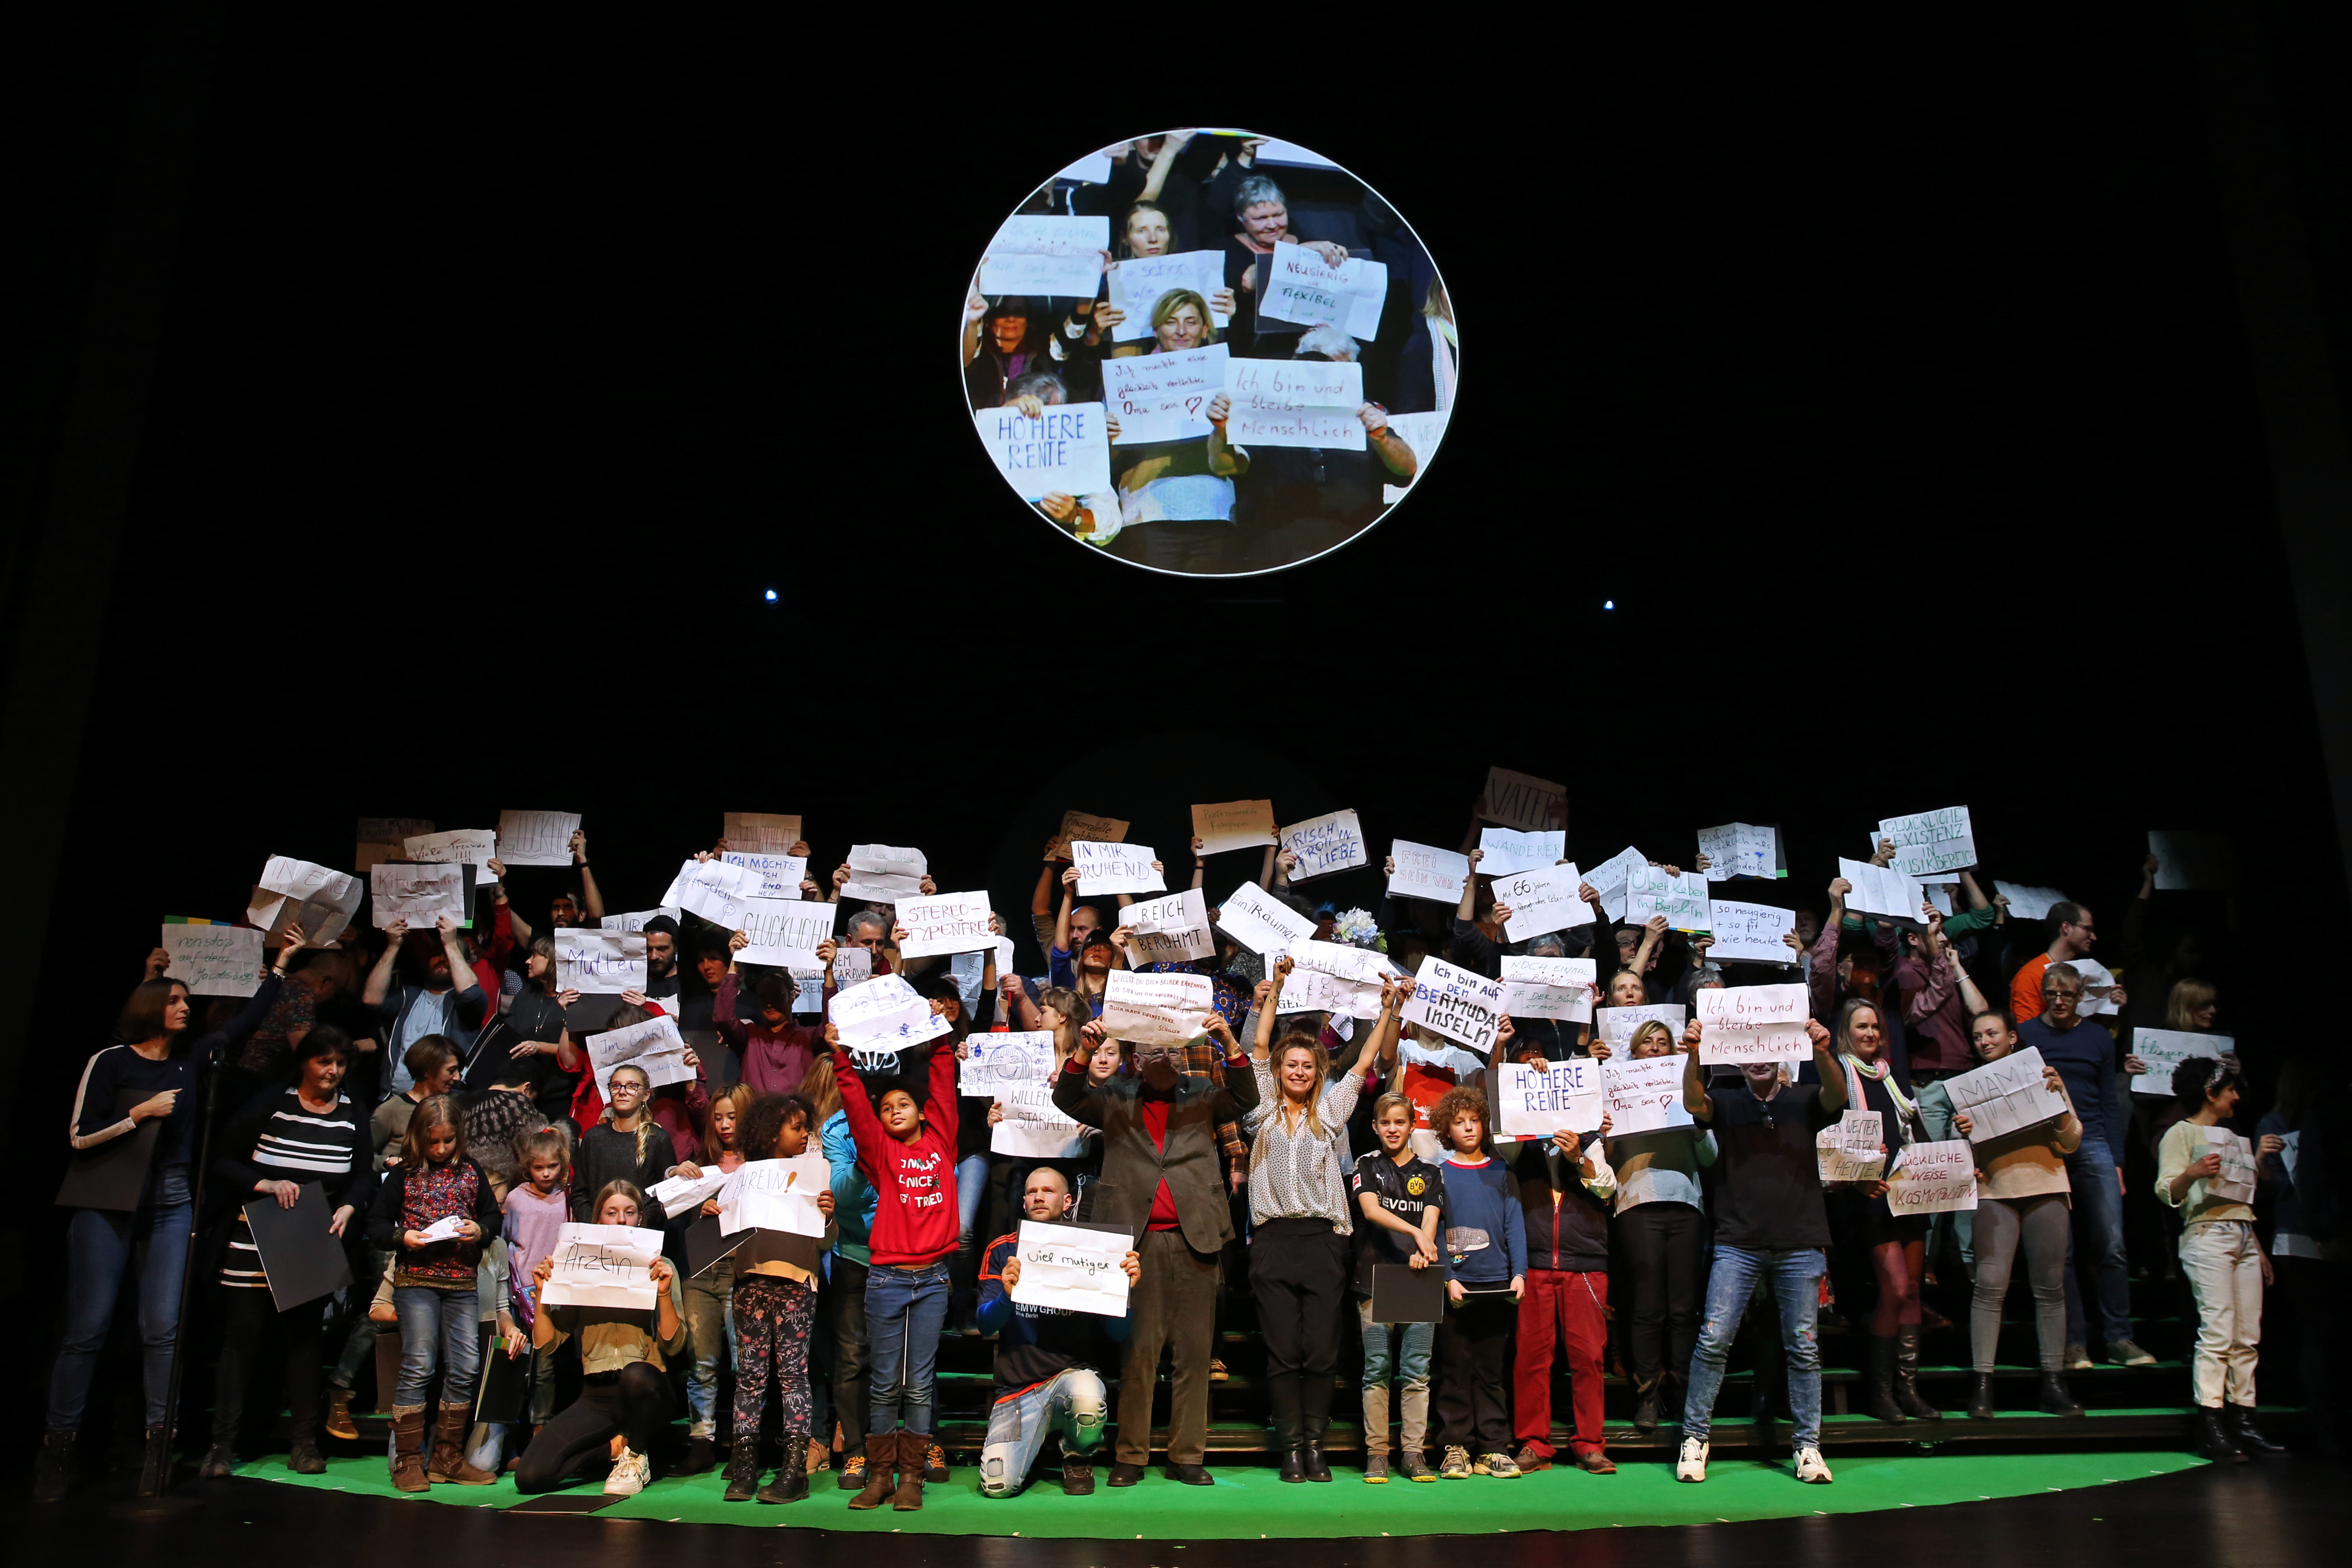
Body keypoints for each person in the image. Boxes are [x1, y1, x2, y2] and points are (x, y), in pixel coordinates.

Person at [38, 943, 292, 1504]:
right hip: (108, 1199)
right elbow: (79, 1135)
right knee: (87, 1330)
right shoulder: (112, 1061)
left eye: (185, 1000)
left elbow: (246, 1023)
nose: (184, 1007)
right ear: (151, 1007)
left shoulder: (190, 1060)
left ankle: (159, 1446)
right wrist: (138, 1114)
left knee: (163, 1330)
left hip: (172, 1198)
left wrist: (279, 970)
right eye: (174, 1000)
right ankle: (58, 1447)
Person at [1052, 1006, 1260, 1487]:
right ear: (1137, 1060)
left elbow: (1247, 1096)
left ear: (1183, 1056)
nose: (1164, 1058)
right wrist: (1084, 1051)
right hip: (1135, 1248)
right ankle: (1131, 1455)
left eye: (1172, 1051)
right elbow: (1066, 1097)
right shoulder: (1113, 1096)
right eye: (1153, 1052)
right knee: (1139, 1354)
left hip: (1196, 1238)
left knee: (1194, 1354)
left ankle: (1187, 1455)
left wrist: (1230, 1043)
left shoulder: (1203, 1093)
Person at [1674, 1012, 1849, 1487]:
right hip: (1738, 1243)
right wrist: (1694, 1055)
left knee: (1804, 1346)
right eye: (1749, 1052)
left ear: (1782, 1054)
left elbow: (1837, 1096)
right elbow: (1693, 1101)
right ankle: (1694, 1438)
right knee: (1714, 1340)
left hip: (1800, 1242)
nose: (1759, 1059)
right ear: (1736, 1059)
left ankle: (1807, 1446)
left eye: (1767, 1051)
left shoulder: (1804, 1099)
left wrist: (1822, 1051)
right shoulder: (1729, 1102)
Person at [202, 1026, 375, 1478]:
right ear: (305, 1063)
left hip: (310, 1233)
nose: (333, 1071)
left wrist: (349, 1206)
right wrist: (264, 1183)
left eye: (340, 1063)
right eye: (324, 1062)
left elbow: (363, 1172)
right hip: (257, 1231)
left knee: (304, 1341)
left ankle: (303, 1443)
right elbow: (222, 1158)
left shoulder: (352, 1111)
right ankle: (221, 1445)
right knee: (242, 1337)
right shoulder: (273, 1102)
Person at [1245, 959, 1388, 1482]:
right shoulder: (1262, 1111)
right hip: (1273, 1242)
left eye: (1308, 1066)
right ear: (1280, 1071)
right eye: (1292, 1065)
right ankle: (1291, 1449)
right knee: (1284, 1352)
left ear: (1317, 1072)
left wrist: (1388, 1011)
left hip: (1323, 1242)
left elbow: (1363, 1064)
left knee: (1322, 1352)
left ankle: (1315, 1447)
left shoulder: (1329, 1115)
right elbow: (1260, 1046)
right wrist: (1277, 989)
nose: (1299, 1072)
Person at [826, 1020, 964, 1511]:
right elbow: (855, 1108)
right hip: (885, 1279)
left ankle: (912, 1478)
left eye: (903, 1104)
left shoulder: (941, 1143)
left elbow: (944, 1091)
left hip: (932, 1280)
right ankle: (881, 1476)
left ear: (922, 1113)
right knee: (884, 1383)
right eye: (886, 1108)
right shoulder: (880, 1153)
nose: (894, 1111)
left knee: (919, 1385)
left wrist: (940, 1041)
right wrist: (841, 1056)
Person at [2016, 962, 2157, 1368]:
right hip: (2047, 1145)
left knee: (2112, 1244)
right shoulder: (2025, 1034)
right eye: (2052, 994)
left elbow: (2110, 1102)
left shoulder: (2097, 1037)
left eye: (2067, 994)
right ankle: (2073, 1342)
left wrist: (2117, 1161)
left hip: (2093, 1140)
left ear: (2080, 997)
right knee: (2060, 1252)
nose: (2059, 1001)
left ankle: (2119, 1337)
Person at [512, 1180, 689, 1496]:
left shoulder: (662, 1267)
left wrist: (662, 1293)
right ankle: (615, 1449)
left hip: (647, 1390)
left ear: (640, 1218)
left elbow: (674, 1345)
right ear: (598, 1219)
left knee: (636, 1374)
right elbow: (547, 1344)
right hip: (598, 1394)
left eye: (630, 1212)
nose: (621, 1220)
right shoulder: (579, 1266)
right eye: (612, 1212)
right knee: (530, 1475)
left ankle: (637, 1453)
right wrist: (543, 1294)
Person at [1950, 1009, 2086, 1419]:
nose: (1984, 1041)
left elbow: (2071, 1140)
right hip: (1995, 1190)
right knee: (1989, 1286)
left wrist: (2058, 1102)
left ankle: (2053, 1384)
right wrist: (1961, 1136)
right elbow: (1958, 1155)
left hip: (2046, 1185)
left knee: (2049, 1288)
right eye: (1977, 1036)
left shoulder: (2041, 1075)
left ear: (2012, 1037)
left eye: (1992, 1033)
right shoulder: (1968, 1089)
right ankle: (1982, 1385)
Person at [975, 1166, 1143, 1497]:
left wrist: (1125, 1296)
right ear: (1024, 1202)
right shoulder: (1002, 1250)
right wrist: (1006, 1298)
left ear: (1067, 1201)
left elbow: (1117, 1334)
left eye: (1048, 1191)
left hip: (1071, 1379)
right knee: (998, 1486)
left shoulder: (1094, 1249)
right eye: (1032, 1192)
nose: (1039, 1197)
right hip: (1018, 1388)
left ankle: (1077, 1455)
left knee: (1088, 1396)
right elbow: (984, 1324)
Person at [366, 1091, 504, 1491]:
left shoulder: (471, 1170)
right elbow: (376, 1225)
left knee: (465, 1366)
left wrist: (480, 1229)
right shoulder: (404, 1175)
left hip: (461, 1282)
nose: (441, 1149)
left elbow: (492, 1216)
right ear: (418, 1137)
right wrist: (403, 1236)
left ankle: (448, 1457)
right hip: (417, 1281)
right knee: (419, 1364)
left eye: (448, 1140)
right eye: (433, 1142)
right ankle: (409, 1460)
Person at [2159, 1056, 2285, 1462]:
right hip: (2207, 1234)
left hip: (2242, 1233)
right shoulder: (2181, 1133)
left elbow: (2241, 1197)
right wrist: (2193, 1172)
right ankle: (2210, 1421)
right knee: (2217, 1331)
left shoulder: (2231, 1136)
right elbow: (2166, 1189)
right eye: (2229, 1089)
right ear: (2210, 1093)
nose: (2236, 1097)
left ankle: (2243, 1417)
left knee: (2247, 1334)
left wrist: (2256, 1246)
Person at [1824, 995, 1943, 1423]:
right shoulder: (1838, 1077)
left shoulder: (1891, 1078)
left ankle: (1906, 1390)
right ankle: (1879, 1394)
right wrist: (1856, 1179)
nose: (1870, 1033)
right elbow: (1828, 1143)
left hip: (1907, 1194)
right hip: (1869, 1200)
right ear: (1846, 1032)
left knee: (1912, 1292)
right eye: (1861, 1026)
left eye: (1875, 1026)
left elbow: (1912, 1134)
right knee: (1894, 1289)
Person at [722, 1092, 838, 1504]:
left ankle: (794, 1469)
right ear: (773, 1132)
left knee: (793, 1375)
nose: (805, 1133)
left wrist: (828, 1215)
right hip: (751, 1282)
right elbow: (726, 1235)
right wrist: (714, 1213)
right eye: (797, 1126)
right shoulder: (745, 1175)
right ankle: (744, 1464)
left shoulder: (814, 1174)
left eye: (806, 1126)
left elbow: (826, 1240)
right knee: (750, 1376)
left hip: (795, 1283)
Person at [1604, 1020, 1716, 1435]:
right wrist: (1606, 1133)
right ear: (1633, 1052)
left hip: (1685, 1203)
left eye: (1663, 1042)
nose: (1654, 1048)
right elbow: (1606, 1161)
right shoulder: (1618, 1091)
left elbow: (1710, 1157)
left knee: (1684, 1309)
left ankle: (1685, 1394)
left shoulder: (1688, 1089)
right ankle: (1647, 1394)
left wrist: (1698, 1119)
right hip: (1637, 1203)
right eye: (1647, 1043)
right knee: (1648, 1307)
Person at [1233, 326, 1418, 570]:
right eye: (1321, 370)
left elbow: (1406, 470)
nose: (1332, 384)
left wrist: (1382, 439)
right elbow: (1233, 465)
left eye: (1342, 373)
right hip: (1282, 549)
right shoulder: (1270, 415)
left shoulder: (1365, 415)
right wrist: (1221, 431)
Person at [1103, 289, 1248, 573]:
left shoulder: (1229, 378)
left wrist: (1222, 430)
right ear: (1156, 330)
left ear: (1205, 329)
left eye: (1191, 322)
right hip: (1148, 514)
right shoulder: (1126, 381)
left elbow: (1239, 460)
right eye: (1171, 322)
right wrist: (1105, 436)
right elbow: (1108, 459)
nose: (1182, 331)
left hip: (1212, 511)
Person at [1509, 1112, 1619, 1477]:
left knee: (1588, 1357)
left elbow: (1606, 1187)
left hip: (1584, 1263)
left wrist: (1577, 1158)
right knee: (1531, 1357)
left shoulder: (1590, 1140)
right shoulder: (1520, 1141)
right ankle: (1534, 1443)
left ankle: (1590, 1443)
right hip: (1534, 1262)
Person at [1428, 1084, 1526, 1480]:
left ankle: (1493, 1447)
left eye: (1474, 1120)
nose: (1468, 1127)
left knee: (1491, 1369)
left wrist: (1519, 1273)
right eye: (1459, 1122)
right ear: (1446, 1129)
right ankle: (1455, 1446)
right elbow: (1435, 1231)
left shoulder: (1502, 1171)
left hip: (1497, 1284)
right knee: (1454, 1368)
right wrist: (1448, 1277)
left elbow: (1514, 1224)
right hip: (1456, 1286)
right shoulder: (1439, 1174)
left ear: (1484, 1125)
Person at [1350, 1091, 1442, 1482]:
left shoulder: (1431, 1171)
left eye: (1400, 1122)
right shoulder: (1366, 1165)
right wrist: (1416, 1234)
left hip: (1417, 1279)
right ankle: (1377, 1453)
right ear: (1375, 1126)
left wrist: (1425, 1246)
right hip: (1375, 1279)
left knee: (1416, 1372)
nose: (1392, 1129)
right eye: (1385, 1122)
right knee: (1377, 1370)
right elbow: (1371, 1210)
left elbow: (1431, 1217)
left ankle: (1413, 1453)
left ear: (1411, 1125)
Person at [807, 1054, 881, 1493]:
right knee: (851, 1357)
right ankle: (855, 1449)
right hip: (854, 1253)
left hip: (908, 1255)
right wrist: (867, 1156)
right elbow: (843, 1193)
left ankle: (915, 1444)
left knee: (908, 1360)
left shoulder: (910, 1117)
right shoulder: (836, 1129)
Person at [679, 1084, 752, 1475]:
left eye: (733, 1116)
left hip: (742, 1272)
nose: (725, 1124)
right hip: (702, 1271)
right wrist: (694, 1197)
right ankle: (701, 1442)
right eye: (718, 1117)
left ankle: (745, 1442)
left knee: (745, 1364)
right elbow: (671, 1201)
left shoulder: (764, 1166)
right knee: (701, 1362)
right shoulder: (700, 1165)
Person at [363, 916, 490, 1100]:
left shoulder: (464, 1003)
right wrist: (393, 947)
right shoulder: (409, 996)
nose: (442, 959)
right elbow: (371, 999)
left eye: (448, 955)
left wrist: (451, 944)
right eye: (437, 953)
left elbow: (470, 994)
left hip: (445, 1102)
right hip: (400, 1099)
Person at [502, 1127, 573, 1447]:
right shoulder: (516, 1199)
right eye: (538, 1167)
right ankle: (509, 1439)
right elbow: (506, 1240)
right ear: (527, 1167)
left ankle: (540, 1434)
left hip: (554, 1291)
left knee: (546, 1365)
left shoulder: (566, 1199)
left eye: (552, 1166)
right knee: (519, 1363)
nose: (546, 1173)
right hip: (520, 1292)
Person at [571, 1060, 683, 1219]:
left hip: (641, 1230)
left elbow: (665, 1195)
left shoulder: (657, 1139)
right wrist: (596, 1222)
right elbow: (580, 1194)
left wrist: (638, 1221)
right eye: (616, 1086)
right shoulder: (593, 1138)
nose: (622, 1092)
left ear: (646, 1095)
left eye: (632, 1086)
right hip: (598, 1229)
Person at [2010, 902, 2100, 1024]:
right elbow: (2027, 1030)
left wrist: (2111, 1007)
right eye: (2087, 929)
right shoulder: (2032, 975)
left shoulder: (2080, 974)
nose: (2093, 937)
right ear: (2066, 928)